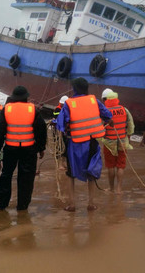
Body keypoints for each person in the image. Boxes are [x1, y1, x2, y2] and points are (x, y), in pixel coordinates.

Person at [56, 77, 113, 211]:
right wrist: (108, 121)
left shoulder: (69, 104)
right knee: (91, 172)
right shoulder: (94, 101)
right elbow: (107, 115)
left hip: (75, 143)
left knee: (71, 173)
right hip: (92, 142)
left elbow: (61, 123)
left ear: (74, 89)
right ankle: (91, 203)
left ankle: (72, 204)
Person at [0, 86, 47, 211]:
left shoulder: (6, 110)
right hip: (29, 149)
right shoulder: (33, 110)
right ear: (26, 97)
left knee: (6, 175)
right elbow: (41, 130)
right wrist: (41, 148)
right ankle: (22, 206)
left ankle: (0, 204)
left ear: (13, 97)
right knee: (26, 178)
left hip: (11, 148)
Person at [100, 88, 134, 194]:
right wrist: (128, 137)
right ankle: (119, 189)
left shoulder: (105, 111)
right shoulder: (124, 109)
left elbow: (99, 127)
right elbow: (130, 125)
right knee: (121, 165)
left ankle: (111, 188)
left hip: (109, 142)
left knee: (111, 166)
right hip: (122, 141)